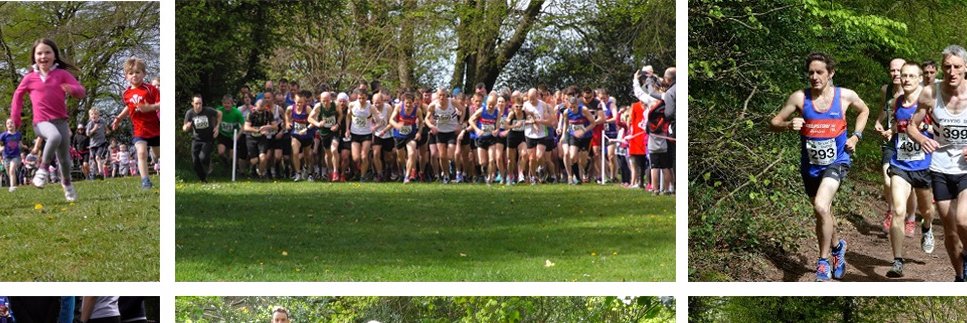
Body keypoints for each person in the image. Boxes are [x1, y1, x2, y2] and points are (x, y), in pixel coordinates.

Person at [770, 52, 870, 281]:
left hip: (838, 160)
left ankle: (823, 262)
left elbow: (864, 110)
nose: (814, 77)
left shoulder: (845, 96)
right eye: (811, 72)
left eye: (820, 72)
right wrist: (787, 125)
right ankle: (837, 247)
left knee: (822, 206)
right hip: (811, 166)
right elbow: (774, 122)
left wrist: (855, 137)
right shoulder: (799, 98)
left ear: (830, 73)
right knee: (822, 213)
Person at [909, 44, 967, 281]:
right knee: (951, 232)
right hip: (940, 168)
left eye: (957, 67)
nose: (952, 72)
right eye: (947, 67)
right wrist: (922, 138)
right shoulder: (930, 93)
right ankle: (959, 276)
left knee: (963, 218)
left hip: (965, 169)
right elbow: (911, 125)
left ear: (965, 68)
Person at [9, 38, 85, 201]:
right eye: (39, 53)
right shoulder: (30, 78)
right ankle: (42, 170)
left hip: (61, 121)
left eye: (47, 52)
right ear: (34, 57)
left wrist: (72, 89)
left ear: (54, 55)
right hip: (41, 122)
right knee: (54, 136)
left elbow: (81, 91)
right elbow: (17, 96)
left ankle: (67, 184)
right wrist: (15, 119)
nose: (43, 56)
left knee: (65, 161)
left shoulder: (62, 74)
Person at [884, 62, 935, 278]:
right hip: (900, 164)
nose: (906, 79)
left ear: (919, 79)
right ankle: (897, 260)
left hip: (924, 165)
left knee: (927, 211)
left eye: (911, 76)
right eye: (903, 75)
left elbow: (944, 128)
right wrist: (891, 132)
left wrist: (929, 128)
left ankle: (927, 227)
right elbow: (898, 127)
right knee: (898, 210)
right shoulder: (895, 102)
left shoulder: (929, 103)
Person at [875, 58, 917, 236]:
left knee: (911, 185)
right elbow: (885, 109)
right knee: (887, 180)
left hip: (911, 143)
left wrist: (896, 129)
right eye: (892, 70)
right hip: (891, 142)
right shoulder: (887, 90)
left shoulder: (916, 92)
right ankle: (891, 211)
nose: (895, 74)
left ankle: (911, 218)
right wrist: (878, 121)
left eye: (899, 71)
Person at [111, 57, 160, 189]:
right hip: (139, 130)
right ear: (126, 76)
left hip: (155, 128)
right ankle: (145, 181)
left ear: (144, 74)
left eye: (138, 72)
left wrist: (149, 108)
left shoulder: (150, 89)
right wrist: (119, 118)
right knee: (141, 153)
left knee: (157, 155)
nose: (135, 75)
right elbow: (129, 106)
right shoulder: (126, 93)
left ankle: (155, 160)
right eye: (131, 73)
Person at [424, 88, 462, 183]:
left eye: (443, 95)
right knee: (442, 156)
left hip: (451, 132)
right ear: (437, 96)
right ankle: (446, 175)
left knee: (449, 155)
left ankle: (449, 169)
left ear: (446, 95)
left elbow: (463, 110)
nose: (442, 97)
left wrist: (460, 124)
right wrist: (431, 126)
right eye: (440, 95)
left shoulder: (452, 102)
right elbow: (426, 119)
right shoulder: (433, 106)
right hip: (440, 132)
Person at [385, 91, 423, 183]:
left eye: (410, 103)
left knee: (412, 153)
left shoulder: (417, 110)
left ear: (413, 102)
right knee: (401, 158)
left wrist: (419, 132)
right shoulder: (398, 107)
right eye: (407, 103)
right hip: (399, 135)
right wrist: (397, 125)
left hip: (411, 135)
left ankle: (407, 176)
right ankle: (404, 169)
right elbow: (391, 120)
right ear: (403, 102)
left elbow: (421, 122)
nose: (408, 105)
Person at [183, 94, 220, 183]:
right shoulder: (190, 113)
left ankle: (208, 163)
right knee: (195, 161)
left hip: (208, 138)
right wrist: (187, 127)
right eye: (196, 103)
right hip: (196, 139)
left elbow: (219, 114)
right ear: (192, 103)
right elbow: (184, 128)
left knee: (202, 157)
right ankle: (203, 179)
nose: (199, 106)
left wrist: (217, 127)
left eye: (200, 103)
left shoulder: (208, 110)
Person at [346, 89, 381, 182]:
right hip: (355, 133)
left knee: (364, 156)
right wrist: (347, 129)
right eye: (359, 98)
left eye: (363, 98)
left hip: (366, 134)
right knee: (355, 158)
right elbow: (348, 117)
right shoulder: (352, 105)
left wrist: (375, 127)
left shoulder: (371, 107)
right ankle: (359, 171)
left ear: (367, 98)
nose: (361, 100)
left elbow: (379, 120)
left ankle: (363, 176)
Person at [468, 93, 503, 184]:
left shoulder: (497, 112)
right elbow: (470, 120)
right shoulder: (481, 110)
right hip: (481, 138)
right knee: (482, 162)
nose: (491, 106)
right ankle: (484, 174)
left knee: (491, 159)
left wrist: (497, 130)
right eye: (489, 104)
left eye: (493, 104)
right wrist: (477, 129)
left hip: (491, 138)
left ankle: (490, 178)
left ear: (495, 103)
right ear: (486, 103)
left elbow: (498, 124)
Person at [523, 88, 556, 184]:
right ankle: (533, 177)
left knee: (539, 156)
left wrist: (539, 121)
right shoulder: (525, 105)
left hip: (542, 134)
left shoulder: (543, 105)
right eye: (529, 98)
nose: (531, 101)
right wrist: (532, 122)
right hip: (529, 134)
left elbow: (549, 122)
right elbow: (521, 121)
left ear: (537, 96)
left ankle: (541, 169)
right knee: (532, 158)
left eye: (533, 98)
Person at [309, 91, 341, 181]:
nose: (326, 103)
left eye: (327, 100)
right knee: (328, 154)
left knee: (334, 149)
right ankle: (330, 171)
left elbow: (341, 115)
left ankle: (335, 172)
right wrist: (318, 124)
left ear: (330, 99)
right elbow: (309, 118)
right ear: (320, 100)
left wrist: (337, 124)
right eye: (324, 101)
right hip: (324, 132)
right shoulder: (318, 106)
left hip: (334, 131)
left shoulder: (336, 105)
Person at [244, 97, 279, 180]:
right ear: (255, 106)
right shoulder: (251, 114)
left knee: (263, 157)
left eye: (262, 109)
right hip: (251, 137)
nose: (260, 111)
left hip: (262, 138)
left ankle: (261, 174)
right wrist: (258, 130)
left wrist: (267, 126)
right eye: (259, 109)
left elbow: (275, 127)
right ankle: (252, 170)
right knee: (254, 160)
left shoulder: (268, 113)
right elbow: (246, 127)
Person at [286, 90, 316, 181]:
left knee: (308, 155)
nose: (299, 104)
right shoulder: (290, 108)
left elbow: (314, 122)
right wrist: (287, 122)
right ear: (294, 101)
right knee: (295, 152)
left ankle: (309, 172)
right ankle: (298, 173)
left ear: (304, 102)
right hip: (296, 134)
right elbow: (286, 114)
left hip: (307, 134)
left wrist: (306, 129)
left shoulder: (307, 109)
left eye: (301, 102)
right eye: (298, 102)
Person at [215, 94, 245, 176]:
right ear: (222, 103)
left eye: (228, 103)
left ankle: (234, 169)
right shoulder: (219, 111)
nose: (227, 105)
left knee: (233, 155)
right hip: (223, 134)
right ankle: (225, 163)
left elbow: (243, 126)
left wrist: (237, 136)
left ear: (232, 104)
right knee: (221, 152)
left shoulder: (237, 113)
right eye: (225, 103)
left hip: (233, 136)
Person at [503, 95, 528, 185]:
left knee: (524, 154)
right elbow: (505, 126)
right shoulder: (511, 114)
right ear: (514, 106)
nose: (519, 108)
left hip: (521, 136)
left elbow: (532, 117)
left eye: (520, 106)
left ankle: (521, 174)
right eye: (517, 106)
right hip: (512, 137)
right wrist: (514, 126)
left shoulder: (525, 113)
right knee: (510, 160)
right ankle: (510, 176)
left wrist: (532, 122)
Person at [370, 92, 394, 182]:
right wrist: (372, 127)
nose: (377, 105)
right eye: (375, 102)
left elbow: (391, 122)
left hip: (387, 133)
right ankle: (379, 174)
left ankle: (388, 170)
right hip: (376, 134)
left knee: (388, 157)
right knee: (376, 153)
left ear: (383, 101)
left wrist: (384, 130)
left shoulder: (387, 108)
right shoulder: (371, 108)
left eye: (378, 102)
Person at [1, 119, 23, 192]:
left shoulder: (18, 134)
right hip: (6, 156)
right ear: (6, 126)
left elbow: (20, 143)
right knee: (9, 173)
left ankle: (12, 187)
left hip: (16, 156)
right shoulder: (3, 135)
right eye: (8, 123)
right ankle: (14, 184)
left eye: (11, 123)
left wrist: (24, 146)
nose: (10, 124)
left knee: (12, 170)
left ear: (14, 125)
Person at [86, 109, 109, 180]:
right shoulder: (90, 124)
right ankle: (96, 174)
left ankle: (101, 173)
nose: (94, 116)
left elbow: (106, 129)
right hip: (93, 145)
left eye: (95, 114)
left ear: (98, 115)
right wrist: (94, 129)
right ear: (90, 116)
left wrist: (107, 131)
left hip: (101, 143)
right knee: (94, 160)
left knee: (98, 157)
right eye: (92, 114)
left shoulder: (102, 121)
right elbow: (87, 134)